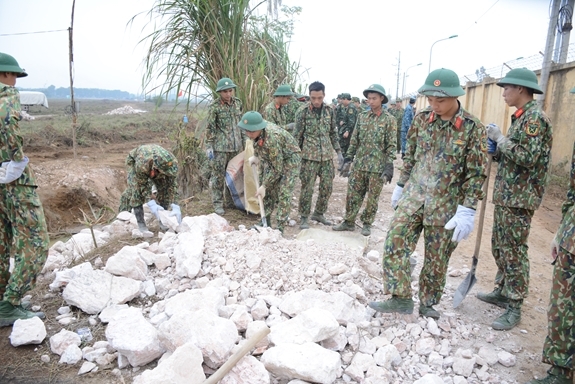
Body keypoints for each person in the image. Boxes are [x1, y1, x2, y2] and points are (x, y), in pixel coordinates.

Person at [368, 68, 488, 319]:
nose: (434, 105)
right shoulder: (422, 119)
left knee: (436, 258)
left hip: (446, 204)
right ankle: (400, 297)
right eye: (430, 100)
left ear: (455, 97)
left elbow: (476, 173)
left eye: (440, 101)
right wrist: (401, 186)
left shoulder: (472, 128)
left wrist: (468, 209)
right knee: (395, 240)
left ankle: (428, 302)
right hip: (414, 197)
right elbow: (410, 156)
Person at [478, 68, 553, 331]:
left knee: (514, 251)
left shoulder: (534, 119)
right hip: (508, 194)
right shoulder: (520, 118)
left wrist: (501, 139)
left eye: (506, 88)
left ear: (521, 89)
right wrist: (497, 150)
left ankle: (515, 305)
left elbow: (527, 158)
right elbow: (513, 157)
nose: (503, 94)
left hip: (520, 198)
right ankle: (502, 290)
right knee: (500, 245)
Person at [0, 52, 49, 326]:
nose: (15, 82)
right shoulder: (6, 94)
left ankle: (2, 300)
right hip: (14, 181)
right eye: (14, 76)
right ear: (6, 74)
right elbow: (7, 120)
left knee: (3, 240)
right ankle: (10, 303)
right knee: (35, 242)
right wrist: (15, 158)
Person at [527, 124, 573, 384]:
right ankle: (561, 372)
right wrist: (562, 230)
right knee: (561, 308)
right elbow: (573, 190)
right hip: (571, 238)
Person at [332, 84, 396, 236]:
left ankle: (367, 223)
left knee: (373, 197)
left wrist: (389, 164)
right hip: (360, 164)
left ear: (382, 99)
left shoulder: (389, 120)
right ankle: (349, 221)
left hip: (377, 167)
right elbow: (354, 140)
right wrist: (348, 158)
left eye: (374, 98)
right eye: (369, 99)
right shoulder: (362, 117)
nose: (371, 101)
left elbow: (392, 144)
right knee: (353, 193)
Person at [239, 111, 301, 234]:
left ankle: (280, 228)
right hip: (274, 157)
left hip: (290, 159)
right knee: (267, 191)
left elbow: (277, 169)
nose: (248, 134)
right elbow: (258, 143)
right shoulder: (256, 130)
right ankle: (264, 220)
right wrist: (256, 156)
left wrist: (264, 186)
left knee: (284, 192)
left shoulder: (272, 139)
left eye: (251, 131)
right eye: (246, 130)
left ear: (259, 128)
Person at [293, 81, 344, 229]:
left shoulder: (329, 111)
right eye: (313, 98)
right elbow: (297, 137)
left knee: (327, 187)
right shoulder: (302, 112)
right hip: (309, 157)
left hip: (327, 156)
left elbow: (333, 133)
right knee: (307, 187)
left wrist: (339, 152)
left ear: (324, 95)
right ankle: (304, 216)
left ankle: (319, 213)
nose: (316, 101)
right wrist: (296, 158)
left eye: (319, 98)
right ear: (309, 96)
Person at [118, 144, 181, 232]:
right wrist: (151, 202)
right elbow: (142, 185)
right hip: (135, 161)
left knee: (164, 190)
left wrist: (175, 205)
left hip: (154, 167)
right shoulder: (142, 164)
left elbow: (172, 186)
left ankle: (163, 220)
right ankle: (141, 224)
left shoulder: (172, 164)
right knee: (136, 190)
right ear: (156, 168)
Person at [205, 77, 244, 215]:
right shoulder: (214, 107)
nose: (228, 94)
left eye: (230, 91)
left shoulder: (237, 103)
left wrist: (245, 143)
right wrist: (209, 146)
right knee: (218, 176)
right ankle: (217, 203)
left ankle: (230, 201)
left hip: (235, 146)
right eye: (225, 92)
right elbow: (210, 128)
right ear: (219, 93)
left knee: (233, 175)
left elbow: (241, 124)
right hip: (220, 148)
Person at [337, 93, 359, 158]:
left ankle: (345, 162)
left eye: (342, 100)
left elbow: (351, 122)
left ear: (346, 99)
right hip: (348, 130)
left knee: (345, 147)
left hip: (348, 132)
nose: (342, 102)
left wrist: (347, 131)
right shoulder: (350, 106)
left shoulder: (351, 107)